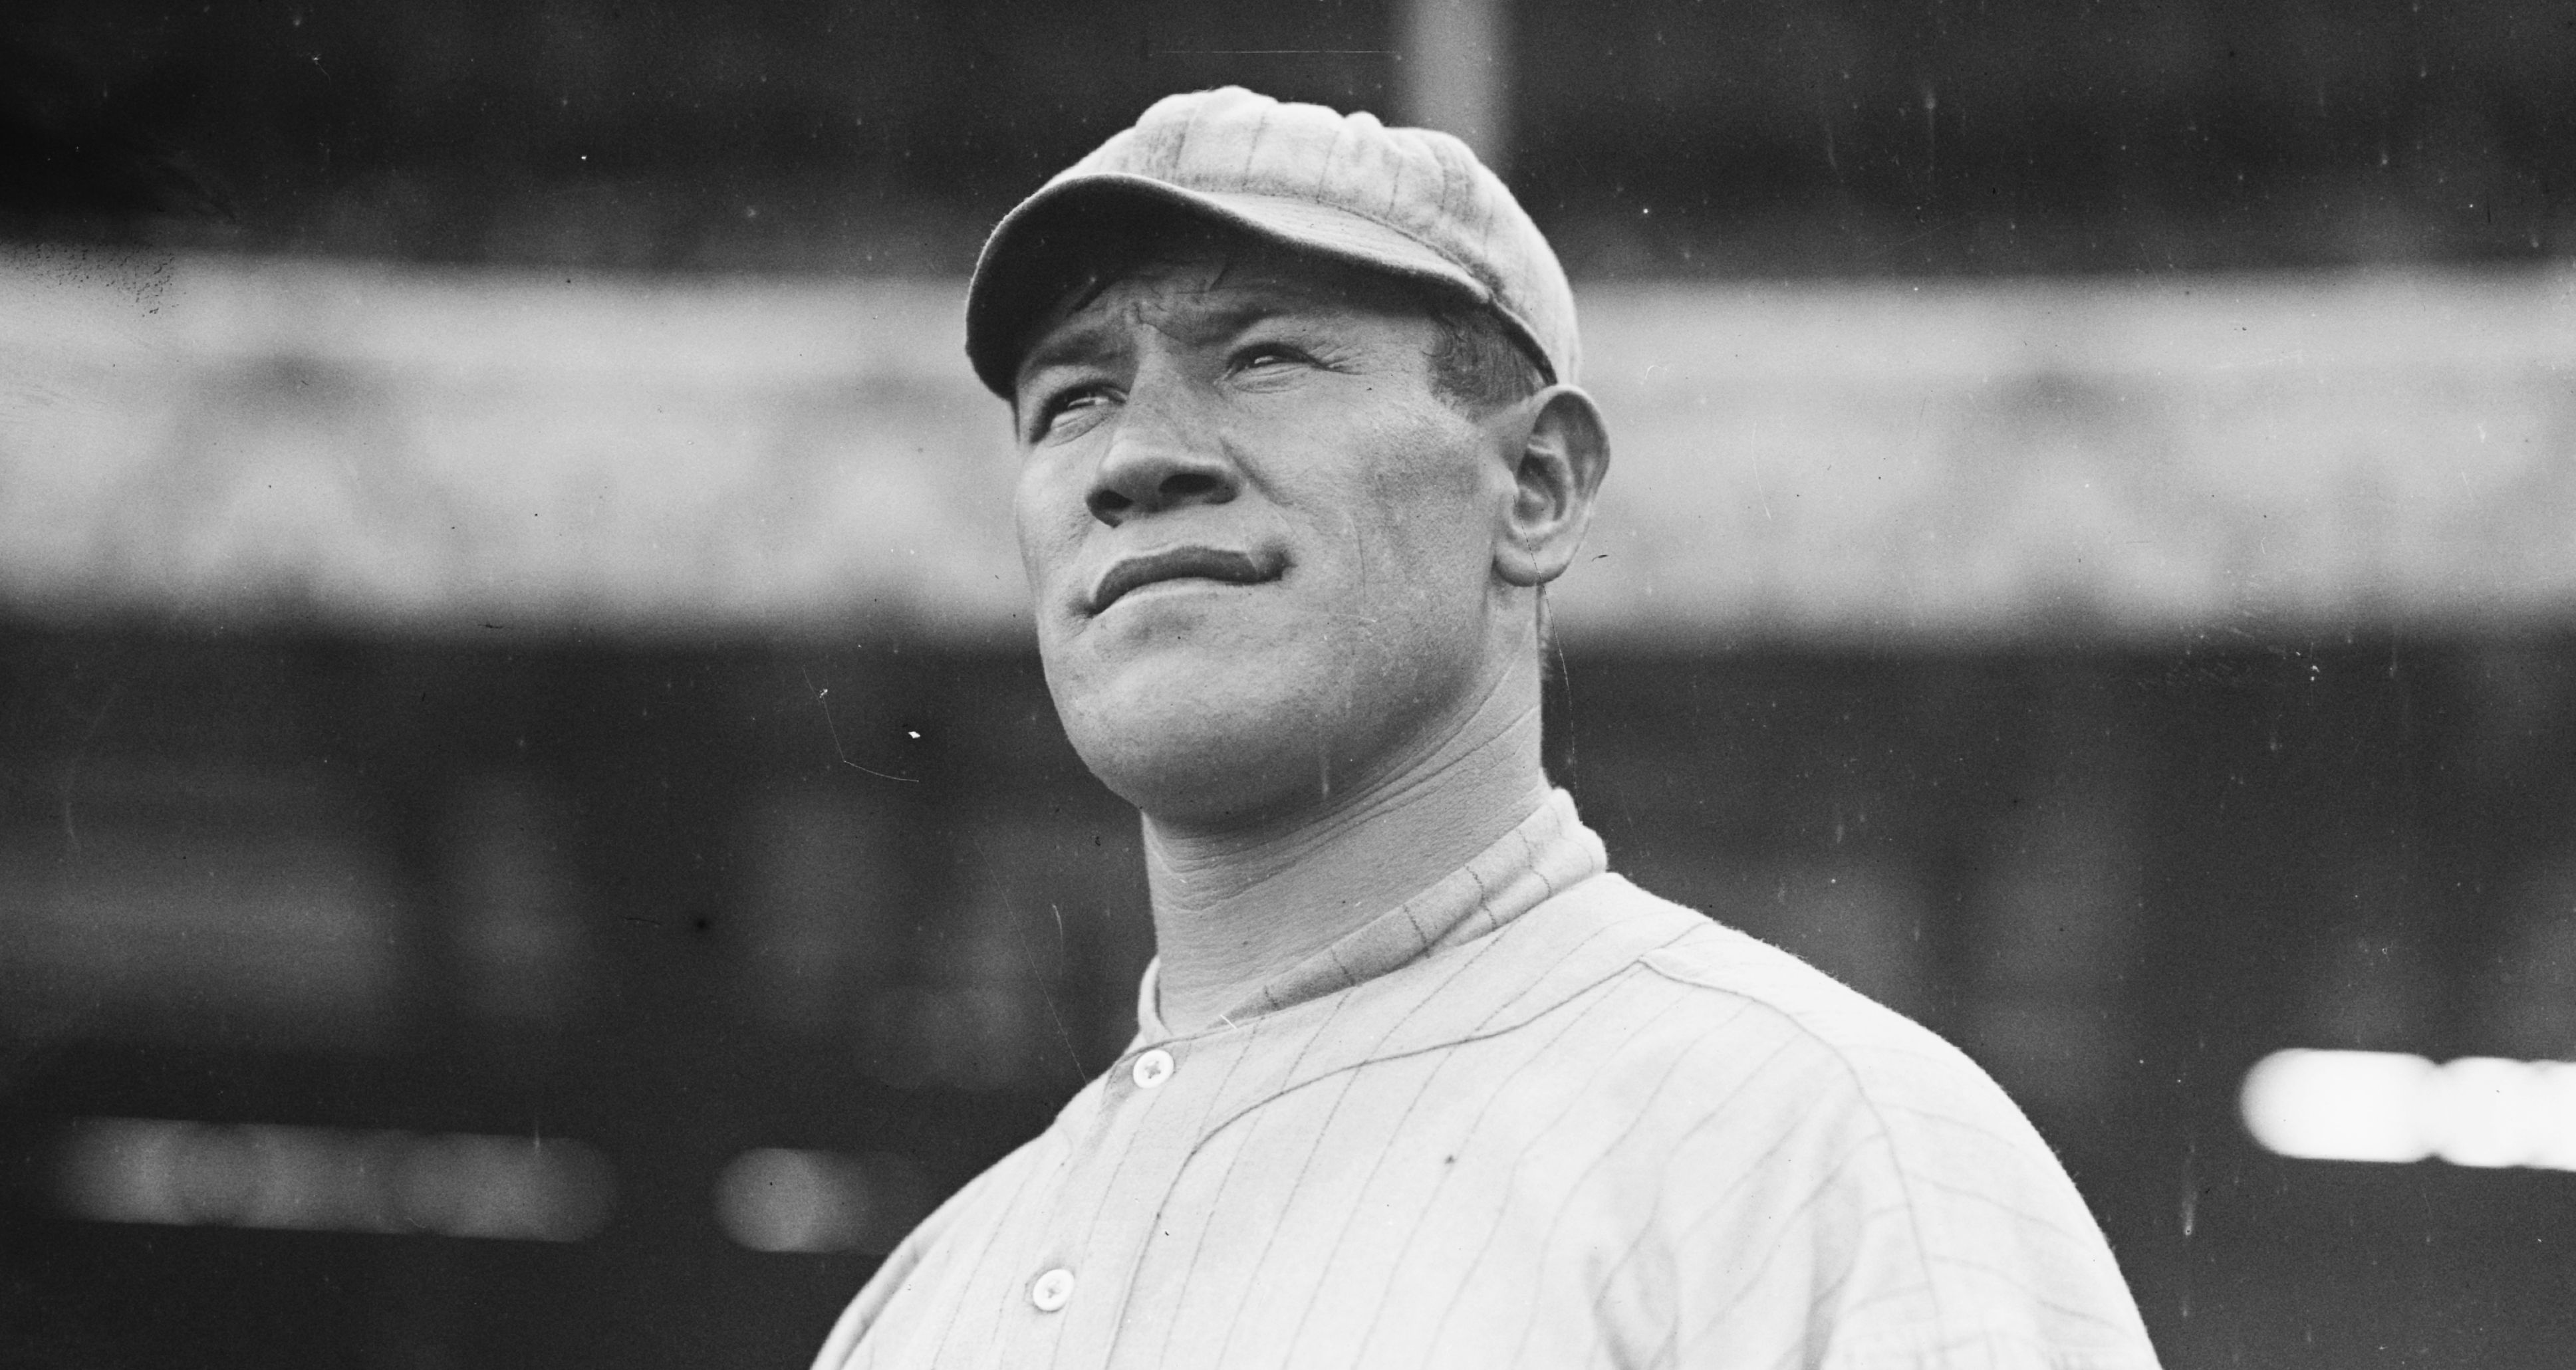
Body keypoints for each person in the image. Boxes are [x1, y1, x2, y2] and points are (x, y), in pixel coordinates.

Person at [813, 86, 2160, 1369]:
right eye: (1071, 399)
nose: (1131, 458)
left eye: (1265, 356)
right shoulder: (926, 1299)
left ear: (1535, 483)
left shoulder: (1818, 1143)